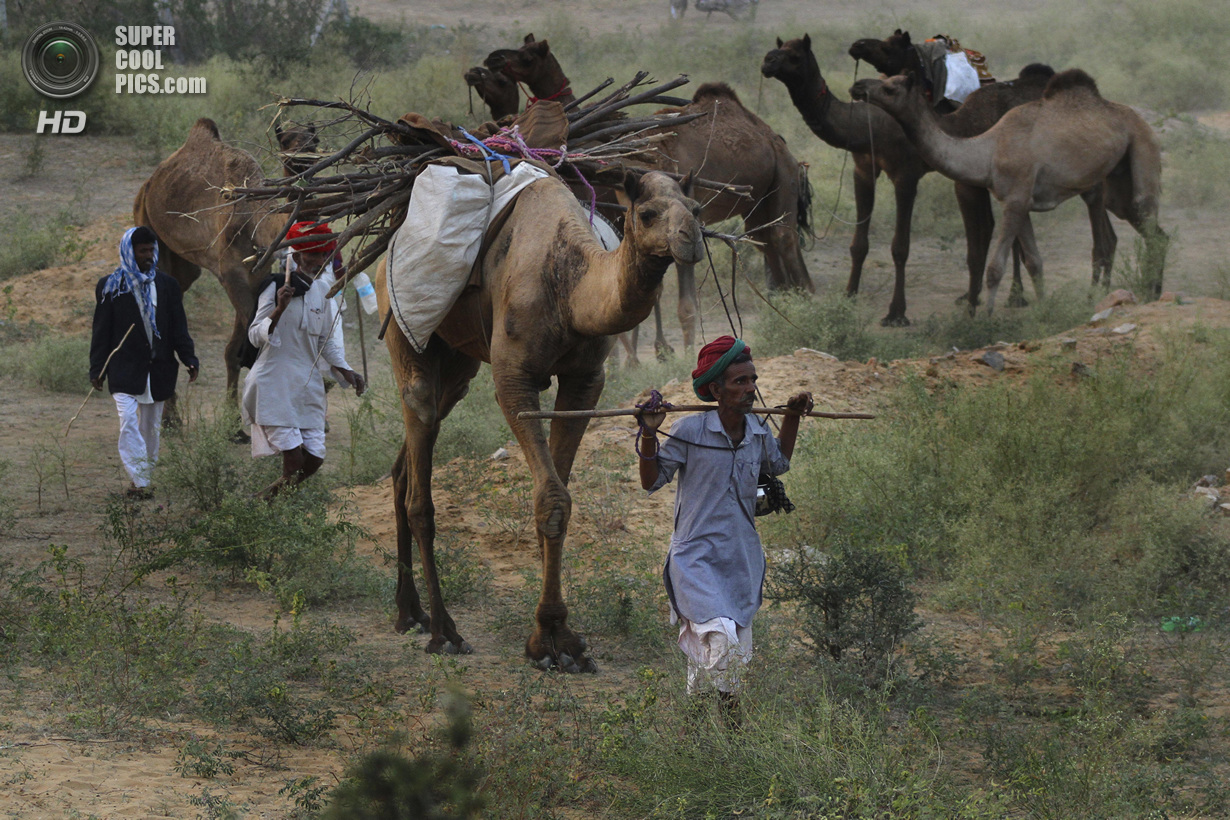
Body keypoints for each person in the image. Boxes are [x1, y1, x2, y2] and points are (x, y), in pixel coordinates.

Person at [636, 336, 812, 721]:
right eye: (739, 382)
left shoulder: (756, 431)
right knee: (721, 640)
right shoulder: (689, 431)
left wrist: (792, 417)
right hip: (695, 558)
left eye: (752, 380)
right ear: (715, 389)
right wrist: (649, 432)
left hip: (741, 560)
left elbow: (778, 464)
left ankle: (694, 733)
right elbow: (651, 481)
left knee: (721, 653)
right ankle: (735, 728)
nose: (750, 389)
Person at [242, 221, 365, 500]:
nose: (319, 261)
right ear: (296, 257)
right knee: (294, 462)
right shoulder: (274, 288)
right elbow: (254, 336)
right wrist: (279, 309)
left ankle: (265, 501)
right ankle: (273, 510)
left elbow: (324, 340)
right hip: (273, 383)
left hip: (306, 387)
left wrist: (347, 370)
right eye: (312, 255)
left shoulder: (323, 292)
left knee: (315, 459)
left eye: (324, 255)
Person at [89, 226, 199, 498]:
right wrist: (97, 367)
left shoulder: (167, 285)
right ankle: (141, 479)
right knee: (128, 419)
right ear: (130, 252)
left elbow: (178, 328)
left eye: (152, 250)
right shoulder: (110, 286)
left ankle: (142, 481)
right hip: (124, 368)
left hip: (159, 367)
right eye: (143, 251)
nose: (149, 256)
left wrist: (189, 357)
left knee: (151, 427)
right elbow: (101, 331)